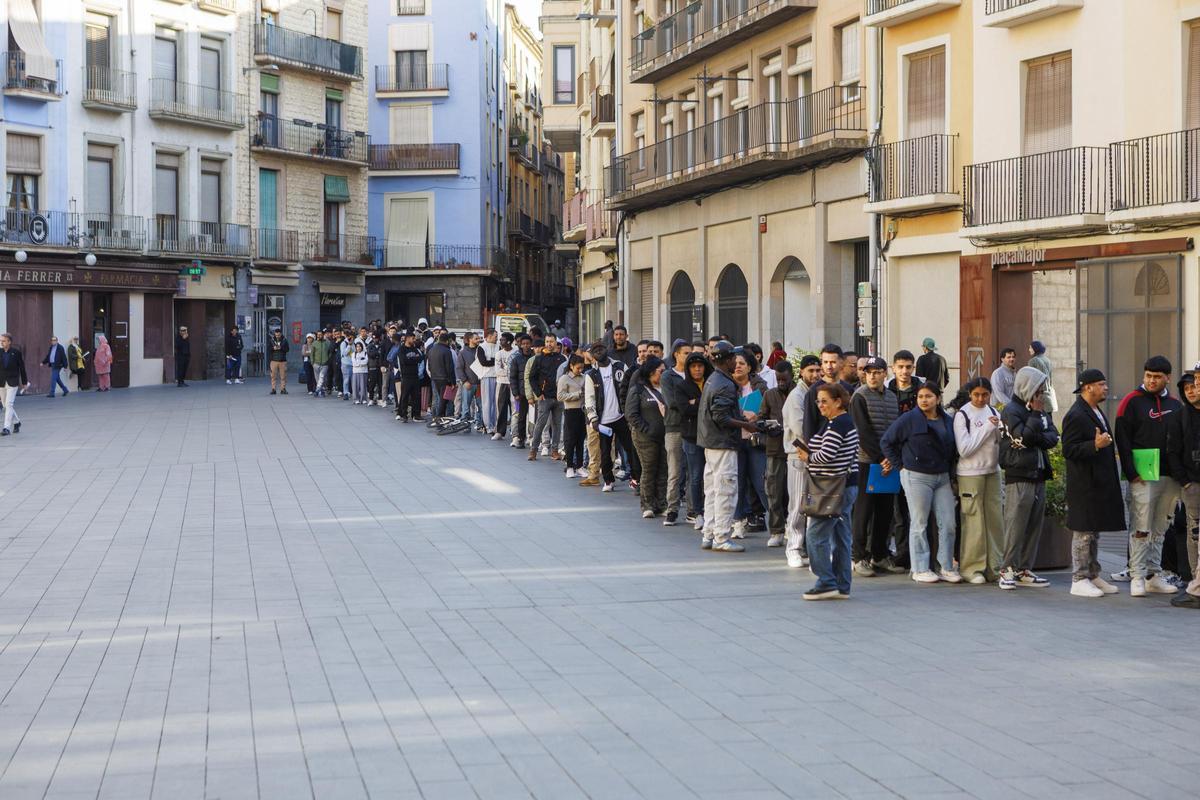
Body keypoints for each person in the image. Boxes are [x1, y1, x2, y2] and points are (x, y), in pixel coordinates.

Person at [1115, 355, 1183, 596]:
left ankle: (1154, 574)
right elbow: (1122, 439)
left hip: (1170, 477)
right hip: (1142, 478)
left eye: (1157, 377)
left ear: (1168, 378)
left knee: (1161, 527)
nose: (1152, 380)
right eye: (1148, 376)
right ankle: (1137, 575)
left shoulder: (1176, 405)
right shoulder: (1131, 402)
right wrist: (1131, 472)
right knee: (1141, 526)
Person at [882, 382, 961, 584]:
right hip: (916, 476)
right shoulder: (909, 419)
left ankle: (946, 566)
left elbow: (953, 448)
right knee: (919, 523)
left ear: (938, 398)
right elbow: (887, 442)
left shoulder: (947, 420)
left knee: (948, 523)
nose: (924, 400)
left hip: (942, 476)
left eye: (928, 396)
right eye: (920, 397)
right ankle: (919, 568)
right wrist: (901, 466)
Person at [1061, 369, 1124, 598]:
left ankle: (1093, 574)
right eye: (1101, 384)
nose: (1106, 388)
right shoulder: (1076, 414)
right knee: (1083, 531)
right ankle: (1079, 578)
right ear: (1087, 387)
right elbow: (1068, 449)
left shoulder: (1095, 410)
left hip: (1098, 481)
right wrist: (1094, 445)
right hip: (1083, 484)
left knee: (1094, 531)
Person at [997, 366, 1059, 590]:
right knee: (1016, 523)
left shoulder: (1041, 409)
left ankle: (1024, 568)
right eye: (1038, 389)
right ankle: (1007, 568)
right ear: (1027, 387)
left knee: (1033, 524)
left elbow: (1053, 436)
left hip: (1039, 473)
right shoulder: (1011, 410)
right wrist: (1035, 416)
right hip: (1019, 473)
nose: (1041, 394)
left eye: (1042, 389)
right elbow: (1021, 439)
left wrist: (1036, 433)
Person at [798, 382, 860, 600]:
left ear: (838, 402)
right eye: (818, 401)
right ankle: (842, 585)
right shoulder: (841, 422)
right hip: (844, 486)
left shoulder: (837, 424)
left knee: (815, 535)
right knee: (841, 538)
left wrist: (808, 457)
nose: (820, 405)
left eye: (825, 401)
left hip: (833, 489)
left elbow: (827, 455)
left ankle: (826, 582)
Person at [698, 342, 759, 552]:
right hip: (723, 444)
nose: (736, 361)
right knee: (725, 490)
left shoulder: (713, 379)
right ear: (727, 360)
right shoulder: (725, 384)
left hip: (711, 443)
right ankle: (722, 537)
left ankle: (709, 533)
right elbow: (721, 417)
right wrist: (746, 425)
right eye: (733, 358)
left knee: (712, 490)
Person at [849, 357, 901, 577]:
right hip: (866, 461)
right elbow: (863, 432)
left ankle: (879, 554)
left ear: (884, 374)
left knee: (885, 510)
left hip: (888, 461)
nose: (872, 375)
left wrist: (891, 457)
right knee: (863, 510)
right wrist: (882, 457)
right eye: (869, 372)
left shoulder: (892, 397)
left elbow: (895, 429)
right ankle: (858, 556)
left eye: (877, 372)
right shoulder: (859, 396)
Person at [952, 377, 1003, 585]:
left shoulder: (994, 412)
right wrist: (988, 428)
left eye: (985, 395)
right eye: (976, 395)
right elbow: (965, 449)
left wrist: (997, 429)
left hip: (993, 470)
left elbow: (999, 440)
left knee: (995, 521)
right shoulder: (962, 415)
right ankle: (971, 568)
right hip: (970, 473)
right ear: (969, 394)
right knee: (974, 521)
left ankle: (995, 566)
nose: (981, 399)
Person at [782, 355, 822, 568]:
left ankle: (811, 549)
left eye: (817, 370)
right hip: (798, 456)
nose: (815, 374)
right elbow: (800, 429)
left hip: (817, 456)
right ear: (801, 372)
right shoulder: (796, 396)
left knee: (814, 506)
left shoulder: (818, 393)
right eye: (811, 370)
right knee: (798, 505)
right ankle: (794, 549)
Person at [584, 342, 635, 492]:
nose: (599, 351)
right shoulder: (591, 375)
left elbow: (630, 388)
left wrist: (629, 411)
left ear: (607, 350)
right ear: (592, 356)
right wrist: (593, 418)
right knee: (605, 453)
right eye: (595, 351)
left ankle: (636, 478)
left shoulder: (620, 366)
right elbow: (589, 399)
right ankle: (608, 480)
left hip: (621, 416)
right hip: (603, 421)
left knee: (630, 449)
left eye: (601, 348)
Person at [1169, 365, 1200, 608]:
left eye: (1195, 384)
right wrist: (1185, 481)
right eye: (1187, 387)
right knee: (1194, 532)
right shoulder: (1180, 416)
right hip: (1192, 484)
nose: (1191, 390)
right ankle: (1193, 580)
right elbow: (1173, 451)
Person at [731, 350, 769, 539]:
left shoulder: (761, 387)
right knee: (737, 483)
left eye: (742, 363)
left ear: (749, 367)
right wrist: (740, 416)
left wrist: (757, 416)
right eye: (735, 363)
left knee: (762, 482)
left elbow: (769, 411)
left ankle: (778, 522)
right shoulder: (727, 386)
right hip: (735, 440)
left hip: (755, 440)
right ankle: (739, 522)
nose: (738, 366)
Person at [672, 351, 712, 529]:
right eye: (693, 366)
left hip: (711, 435)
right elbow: (684, 409)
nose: (697, 369)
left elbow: (713, 406)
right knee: (695, 476)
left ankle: (711, 510)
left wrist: (696, 402)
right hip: (691, 436)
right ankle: (698, 513)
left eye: (700, 366)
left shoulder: (710, 382)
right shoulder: (682, 386)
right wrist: (701, 404)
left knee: (711, 475)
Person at [628, 356, 670, 518]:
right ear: (651, 372)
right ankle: (647, 504)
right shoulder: (638, 390)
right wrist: (647, 429)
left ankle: (662, 503)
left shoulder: (667, 389)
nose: (664, 374)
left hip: (665, 435)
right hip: (645, 437)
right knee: (649, 468)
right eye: (661, 371)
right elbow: (631, 414)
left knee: (663, 469)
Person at [761, 359, 796, 548]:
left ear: (792, 377)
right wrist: (767, 426)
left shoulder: (799, 393)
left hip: (795, 449)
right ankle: (776, 530)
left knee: (793, 493)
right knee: (774, 491)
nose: (781, 383)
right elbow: (761, 417)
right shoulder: (769, 394)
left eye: (784, 379)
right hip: (774, 449)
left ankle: (792, 526)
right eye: (778, 379)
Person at [660, 340, 691, 526]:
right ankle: (672, 509)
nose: (689, 356)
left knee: (694, 471)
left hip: (693, 428)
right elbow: (671, 402)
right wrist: (691, 403)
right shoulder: (668, 376)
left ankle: (693, 511)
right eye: (686, 353)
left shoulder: (695, 373)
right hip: (674, 427)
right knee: (675, 471)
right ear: (676, 354)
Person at [527, 336, 566, 460]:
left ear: (556, 343)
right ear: (545, 343)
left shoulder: (562, 358)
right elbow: (532, 377)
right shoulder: (539, 358)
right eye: (547, 342)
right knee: (540, 424)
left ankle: (555, 450)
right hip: (544, 397)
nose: (549, 344)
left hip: (559, 397)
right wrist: (538, 393)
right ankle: (533, 450)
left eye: (551, 342)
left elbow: (566, 376)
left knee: (557, 425)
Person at [558, 354, 587, 478]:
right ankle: (570, 466)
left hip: (583, 411)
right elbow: (560, 396)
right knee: (570, 440)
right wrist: (577, 394)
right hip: (571, 411)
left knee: (581, 440)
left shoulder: (585, 377)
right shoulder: (564, 378)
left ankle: (580, 466)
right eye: (578, 368)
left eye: (582, 368)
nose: (580, 370)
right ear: (571, 366)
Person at [0, 333, 29, 435]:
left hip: (13, 382)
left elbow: (22, 368)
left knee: (9, 404)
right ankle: (17, 422)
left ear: (9, 342)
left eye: (3, 341)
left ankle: (6, 428)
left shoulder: (16, 353)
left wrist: (24, 382)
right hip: (1, 382)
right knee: (5, 405)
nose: (1, 343)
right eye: (1, 341)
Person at [508, 334, 533, 448]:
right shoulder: (516, 359)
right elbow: (513, 378)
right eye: (523, 344)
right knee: (521, 417)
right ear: (520, 345)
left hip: (534, 393)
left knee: (534, 418)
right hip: (521, 393)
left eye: (528, 343)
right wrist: (515, 393)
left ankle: (533, 439)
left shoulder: (536, 358)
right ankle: (521, 439)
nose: (526, 346)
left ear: (531, 344)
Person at [392, 331, 422, 421]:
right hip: (406, 376)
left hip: (415, 376)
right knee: (405, 396)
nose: (414, 340)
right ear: (408, 338)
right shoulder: (402, 349)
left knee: (416, 396)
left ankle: (416, 415)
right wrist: (414, 359)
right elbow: (404, 361)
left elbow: (420, 358)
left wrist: (411, 359)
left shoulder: (414, 348)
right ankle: (403, 414)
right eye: (413, 338)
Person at [426, 333, 457, 418]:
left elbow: (429, 366)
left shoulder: (431, 350)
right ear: (447, 341)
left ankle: (439, 416)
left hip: (435, 378)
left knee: (440, 398)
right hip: (445, 379)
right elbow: (450, 368)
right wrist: (453, 382)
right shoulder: (447, 351)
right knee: (444, 399)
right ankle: (439, 417)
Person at [493, 332, 515, 441]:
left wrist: (507, 371)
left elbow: (515, 370)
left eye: (503, 340)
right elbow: (497, 371)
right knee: (501, 408)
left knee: (515, 408)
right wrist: (509, 371)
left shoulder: (515, 352)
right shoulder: (499, 354)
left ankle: (515, 432)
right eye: (500, 340)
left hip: (513, 384)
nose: (500, 342)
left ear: (509, 342)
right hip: (501, 383)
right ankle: (499, 432)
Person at [1027, 340, 1057, 415]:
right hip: (1049, 396)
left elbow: (1032, 381)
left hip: (1038, 398)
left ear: (1035, 348)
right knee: (1048, 419)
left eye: (1030, 348)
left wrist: (1029, 398)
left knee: (1037, 420)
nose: (1029, 350)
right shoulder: (1047, 360)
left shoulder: (1033, 361)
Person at [478, 329, 498, 434]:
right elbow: (483, 362)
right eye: (495, 336)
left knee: (496, 403)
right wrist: (495, 360)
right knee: (487, 402)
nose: (497, 338)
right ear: (489, 336)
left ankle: (494, 424)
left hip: (497, 377)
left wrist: (492, 360)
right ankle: (487, 425)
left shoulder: (498, 346)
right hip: (486, 377)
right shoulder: (481, 347)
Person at [268, 329, 289, 395]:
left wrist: (281, 348)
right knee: (273, 376)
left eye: (279, 335)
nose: (277, 336)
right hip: (273, 360)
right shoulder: (271, 340)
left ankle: (283, 389)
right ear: (274, 334)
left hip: (282, 361)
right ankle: (273, 389)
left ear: (281, 334)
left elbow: (287, 349)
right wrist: (273, 348)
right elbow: (268, 349)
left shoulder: (284, 340)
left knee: (283, 376)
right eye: (276, 335)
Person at [312, 331, 332, 398]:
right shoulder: (314, 343)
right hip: (316, 363)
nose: (319, 336)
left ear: (323, 335)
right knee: (318, 379)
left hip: (325, 363)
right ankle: (322, 391)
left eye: (320, 335)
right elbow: (312, 354)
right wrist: (312, 362)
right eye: (318, 335)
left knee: (322, 377)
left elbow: (330, 352)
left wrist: (328, 359)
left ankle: (317, 390)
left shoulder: (327, 343)